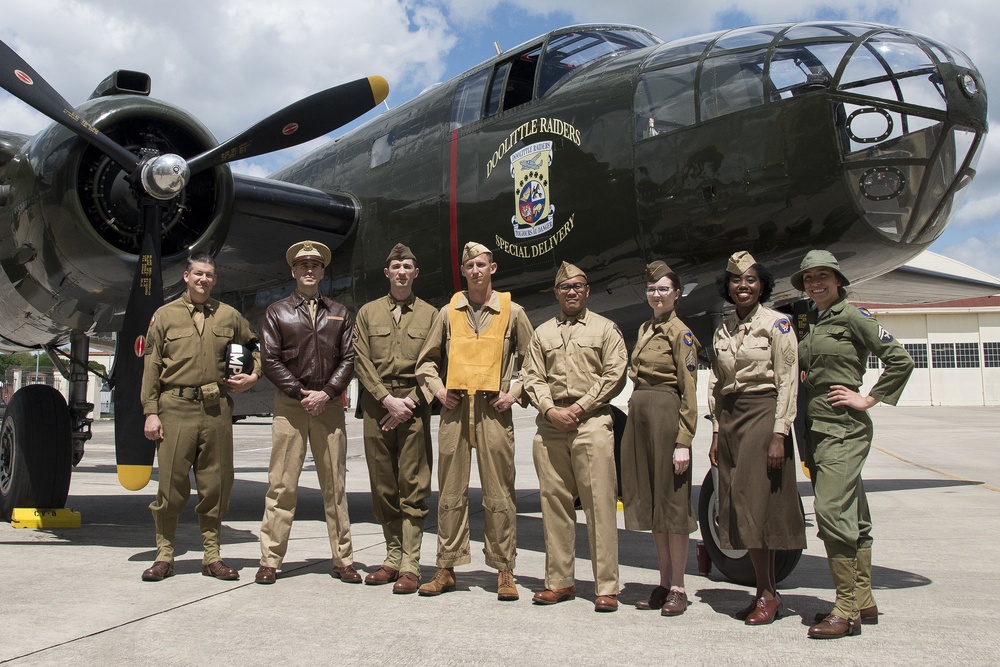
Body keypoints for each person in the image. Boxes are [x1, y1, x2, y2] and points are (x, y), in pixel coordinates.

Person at [793, 250, 913, 639]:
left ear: (839, 280)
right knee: (854, 515)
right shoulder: (816, 321)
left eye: (823, 276)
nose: (815, 283)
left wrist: (868, 399)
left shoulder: (854, 317)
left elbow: (900, 360)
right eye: (809, 278)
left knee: (830, 513)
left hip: (843, 428)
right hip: (819, 427)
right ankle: (863, 600)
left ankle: (844, 610)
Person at [414, 241, 534, 601]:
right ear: (464, 271)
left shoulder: (513, 312)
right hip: (455, 409)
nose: (476, 271)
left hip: (493, 410)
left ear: (492, 269)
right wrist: (437, 392)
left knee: (500, 491)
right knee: (450, 490)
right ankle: (446, 567)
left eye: (482, 265)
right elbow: (426, 362)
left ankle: (504, 570)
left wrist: (513, 392)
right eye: (470, 266)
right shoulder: (448, 312)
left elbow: (533, 362)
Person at [140, 254, 261, 582]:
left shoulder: (228, 315)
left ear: (215, 279)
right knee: (170, 487)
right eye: (198, 274)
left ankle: (212, 556)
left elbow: (254, 346)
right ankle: (164, 556)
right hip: (175, 408)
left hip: (215, 409)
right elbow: (151, 367)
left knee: (216, 485)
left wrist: (253, 375)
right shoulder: (165, 316)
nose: (203, 280)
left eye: (209, 275)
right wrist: (151, 412)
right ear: (186, 276)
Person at [522, 262, 628, 613]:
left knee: (600, 504)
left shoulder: (605, 329)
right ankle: (559, 582)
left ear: (587, 290)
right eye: (565, 286)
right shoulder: (542, 333)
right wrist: (551, 410)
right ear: (556, 292)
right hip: (551, 426)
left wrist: (580, 408)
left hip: (592, 423)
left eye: (578, 286)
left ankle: (607, 586)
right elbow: (532, 376)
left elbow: (615, 373)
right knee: (554, 506)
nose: (571, 291)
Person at [708, 251, 806, 624]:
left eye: (750, 280)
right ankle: (762, 591)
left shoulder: (778, 325)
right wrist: (717, 430)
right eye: (735, 280)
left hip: (764, 415)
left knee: (761, 505)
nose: (743, 286)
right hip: (732, 419)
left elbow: (786, 382)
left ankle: (769, 594)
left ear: (762, 285)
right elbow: (716, 383)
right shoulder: (725, 328)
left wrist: (779, 433)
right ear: (728, 288)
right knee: (742, 505)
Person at [254, 241, 358, 585]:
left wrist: (327, 393)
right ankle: (270, 559)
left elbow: (348, 358)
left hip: (328, 406)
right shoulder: (277, 312)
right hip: (291, 406)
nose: (309, 270)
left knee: (335, 486)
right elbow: (269, 359)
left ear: (323, 271)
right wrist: (301, 393)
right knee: (282, 484)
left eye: (315, 265)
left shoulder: (340, 312)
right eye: (303, 265)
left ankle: (343, 559)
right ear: (293, 272)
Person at [353, 243, 438, 594]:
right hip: (378, 404)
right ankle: (391, 557)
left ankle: (410, 564)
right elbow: (360, 360)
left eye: (407, 266)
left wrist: (411, 402)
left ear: (416, 273)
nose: (401, 271)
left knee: (414, 485)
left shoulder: (432, 315)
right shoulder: (367, 313)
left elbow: (439, 363)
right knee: (383, 486)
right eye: (395, 266)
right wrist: (387, 400)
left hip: (414, 407)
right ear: (386, 273)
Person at [621, 261, 699, 616]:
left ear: (677, 294)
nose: (657, 294)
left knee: (674, 505)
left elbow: (690, 390)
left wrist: (683, 441)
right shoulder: (644, 328)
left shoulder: (680, 333)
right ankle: (664, 582)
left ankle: (680, 587)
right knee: (654, 504)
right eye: (652, 289)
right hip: (641, 417)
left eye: (664, 289)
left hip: (667, 417)